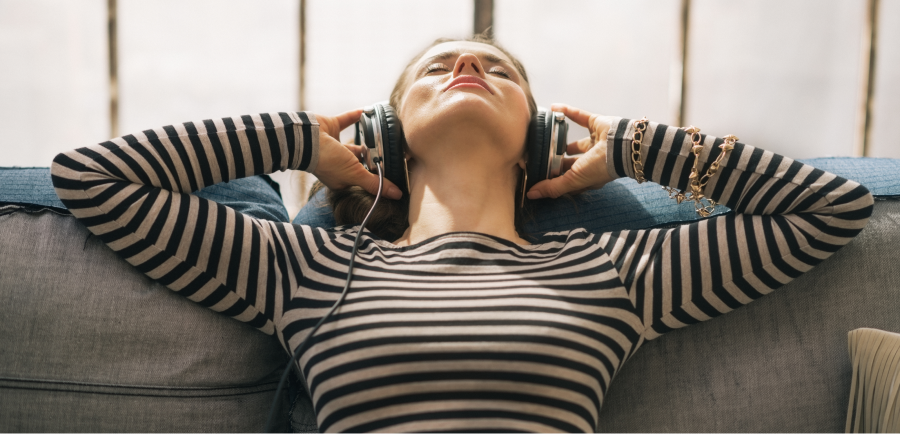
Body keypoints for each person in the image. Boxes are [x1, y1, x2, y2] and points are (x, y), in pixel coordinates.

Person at [51, 35, 873, 434]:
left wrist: (632, 149)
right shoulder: (305, 265)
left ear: (543, 137)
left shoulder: (614, 268)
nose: (468, 68)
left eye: (498, 69)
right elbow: (90, 180)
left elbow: (830, 212)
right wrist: (297, 141)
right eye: (438, 67)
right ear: (385, 131)